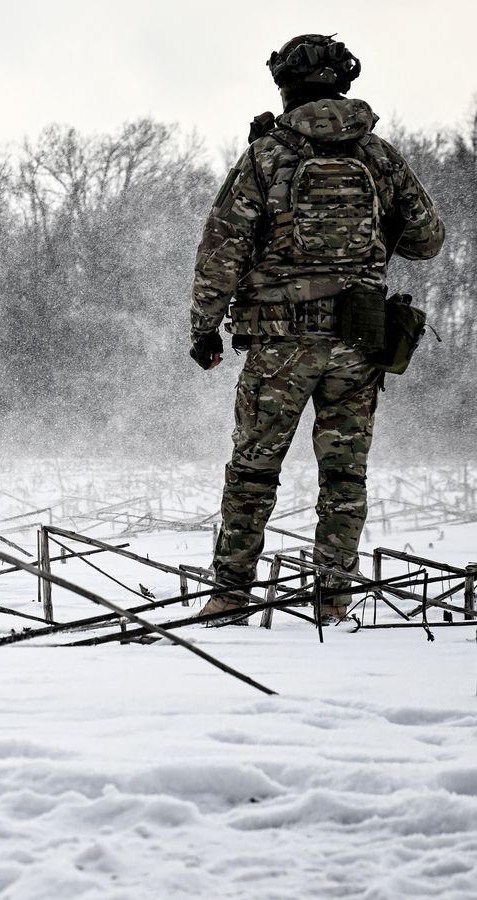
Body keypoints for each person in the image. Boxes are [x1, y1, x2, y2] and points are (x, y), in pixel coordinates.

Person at [188, 34, 444, 624]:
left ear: (285, 86)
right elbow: (428, 239)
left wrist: (204, 328)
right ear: (344, 83)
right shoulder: (379, 156)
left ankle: (229, 597)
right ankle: (332, 602)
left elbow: (221, 249)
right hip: (358, 343)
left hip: (279, 345)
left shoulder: (267, 155)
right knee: (344, 477)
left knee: (252, 473)